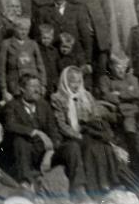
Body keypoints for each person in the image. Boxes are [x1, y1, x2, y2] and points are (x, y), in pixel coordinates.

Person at [4, 73, 89, 200]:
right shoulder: (12, 105)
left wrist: (51, 151)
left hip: (45, 152)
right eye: (32, 86)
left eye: (38, 86)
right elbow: (10, 125)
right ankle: (26, 185)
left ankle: (78, 190)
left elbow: (54, 131)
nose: (37, 89)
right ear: (22, 89)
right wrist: (34, 132)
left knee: (72, 146)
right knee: (20, 141)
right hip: (26, 154)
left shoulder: (43, 105)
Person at [51, 66, 122, 197]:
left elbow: (95, 115)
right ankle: (92, 188)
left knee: (104, 147)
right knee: (89, 148)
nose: (76, 85)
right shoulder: (57, 98)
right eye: (72, 81)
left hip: (87, 132)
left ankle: (107, 183)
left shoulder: (86, 96)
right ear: (65, 81)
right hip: (70, 137)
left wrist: (91, 125)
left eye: (78, 81)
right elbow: (61, 124)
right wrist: (76, 134)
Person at [70, 0, 111, 84]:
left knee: (101, 66)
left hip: (100, 36)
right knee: (86, 65)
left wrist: (103, 32)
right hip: (83, 37)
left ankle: (102, 91)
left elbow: (107, 15)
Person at [0, 17, 46, 102]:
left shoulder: (33, 44)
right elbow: (1, 69)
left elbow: (40, 65)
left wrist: (43, 84)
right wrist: (4, 90)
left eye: (26, 30)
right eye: (21, 29)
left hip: (32, 85)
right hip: (15, 86)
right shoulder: (6, 44)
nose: (24, 32)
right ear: (15, 29)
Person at [36, 24, 60, 95]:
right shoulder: (37, 49)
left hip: (53, 81)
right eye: (44, 38)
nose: (46, 40)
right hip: (42, 81)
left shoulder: (54, 50)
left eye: (48, 38)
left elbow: (58, 66)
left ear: (52, 38)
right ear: (40, 37)